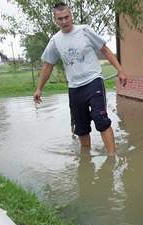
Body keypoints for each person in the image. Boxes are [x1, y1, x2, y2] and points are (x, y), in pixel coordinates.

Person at [33, 2, 127, 155]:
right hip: (74, 88)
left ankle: (112, 158)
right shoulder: (55, 41)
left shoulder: (84, 31)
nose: (64, 22)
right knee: (81, 127)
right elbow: (47, 66)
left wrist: (120, 70)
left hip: (93, 81)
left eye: (66, 17)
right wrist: (39, 89)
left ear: (71, 16)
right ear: (55, 20)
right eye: (60, 19)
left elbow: (105, 50)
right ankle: (86, 159)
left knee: (101, 119)